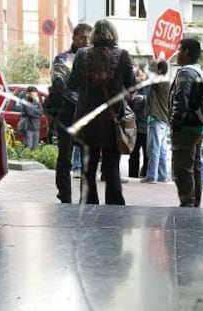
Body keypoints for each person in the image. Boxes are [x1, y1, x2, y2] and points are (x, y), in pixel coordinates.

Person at [68, 19, 135, 205]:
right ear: (114, 34)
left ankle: (89, 207)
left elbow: (71, 84)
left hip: (86, 121)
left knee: (88, 169)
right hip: (112, 121)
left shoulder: (81, 55)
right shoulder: (122, 56)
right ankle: (114, 209)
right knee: (112, 168)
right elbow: (132, 86)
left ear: (94, 35)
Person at [51, 23, 92, 203]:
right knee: (65, 156)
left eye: (89, 38)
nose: (86, 41)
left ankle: (87, 196)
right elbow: (60, 85)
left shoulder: (94, 59)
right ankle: (65, 195)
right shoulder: (62, 59)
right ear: (74, 38)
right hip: (67, 113)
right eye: (83, 37)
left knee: (87, 157)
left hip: (87, 114)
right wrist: (79, 102)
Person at [169, 38, 203, 207]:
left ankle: (187, 205)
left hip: (186, 128)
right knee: (195, 167)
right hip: (199, 127)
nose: (177, 54)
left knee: (182, 169)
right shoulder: (199, 70)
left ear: (186, 52)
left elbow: (180, 99)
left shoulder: (185, 73)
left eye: (179, 50)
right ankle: (194, 204)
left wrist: (175, 123)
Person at [141, 60, 170, 183]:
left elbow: (150, 76)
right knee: (161, 149)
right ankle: (163, 175)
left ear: (160, 70)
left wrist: (150, 65)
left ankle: (152, 175)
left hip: (157, 119)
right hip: (163, 120)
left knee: (154, 148)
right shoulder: (165, 83)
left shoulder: (161, 81)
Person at [128, 65, 150, 178]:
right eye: (136, 75)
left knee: (147, 155)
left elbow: (153, 101)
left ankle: (145, 174)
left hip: (146, 125)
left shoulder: (149, 87)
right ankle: (132, 176)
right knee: (133, 154)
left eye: (140, 75)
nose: (138, 77)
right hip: (134, 126)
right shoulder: (133, 87)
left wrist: (144, 99)